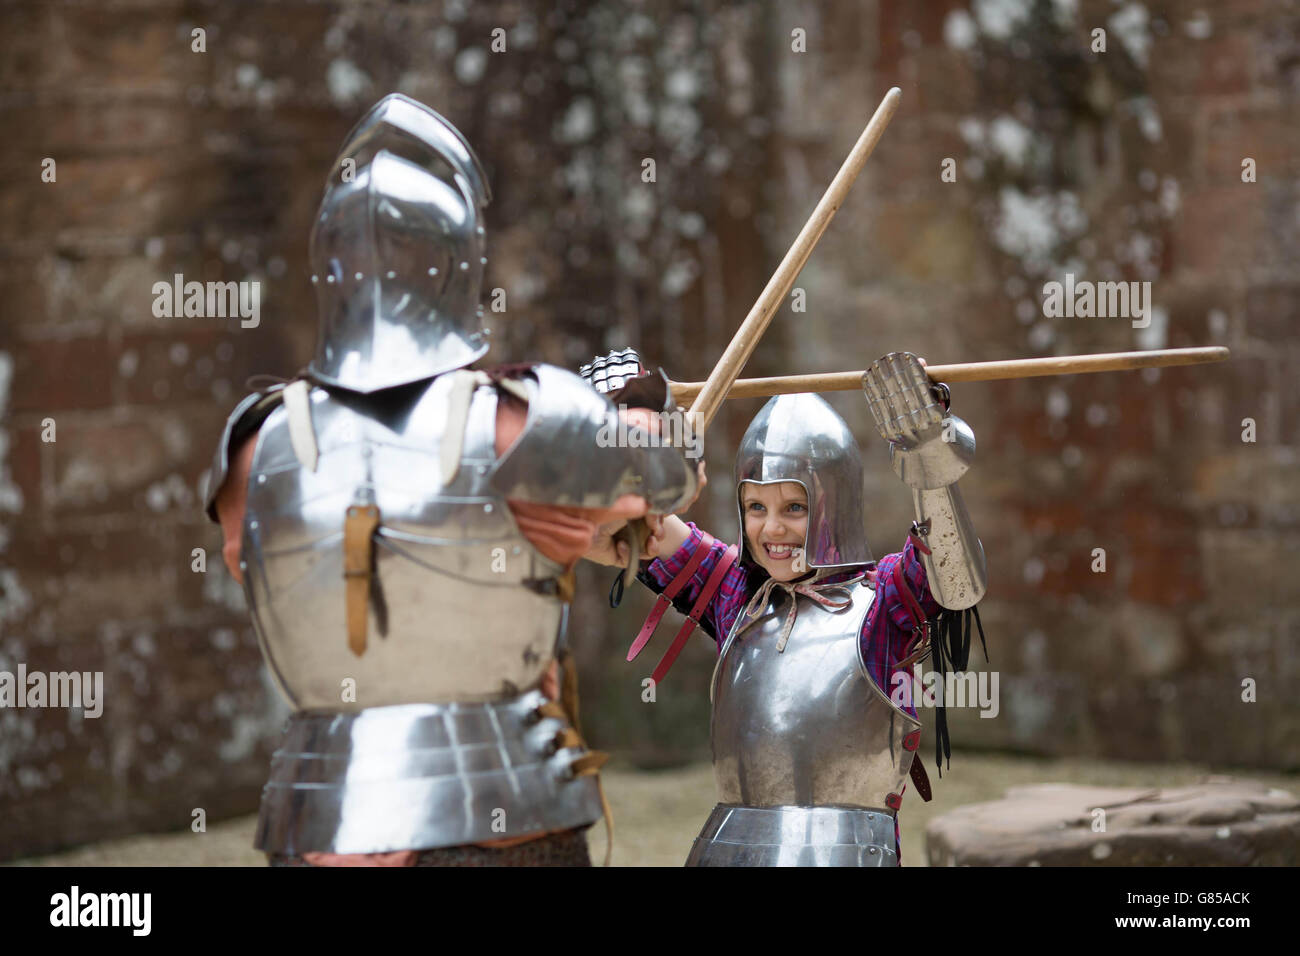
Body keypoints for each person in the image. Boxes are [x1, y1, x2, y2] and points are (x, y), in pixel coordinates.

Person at [203, 94, 700, 866]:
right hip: (497, 807)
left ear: (328, 270)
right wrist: (655, 423)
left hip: (324, 813)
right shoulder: (524, 419)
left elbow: (250, 563)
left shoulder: (256, 441)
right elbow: (660, 487)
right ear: (460, 266)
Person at [587, 351, 987, 866]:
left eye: (794, 507)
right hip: (727, 850)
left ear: (832, 505)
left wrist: (928, 453)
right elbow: (618, 532)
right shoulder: (733, 590)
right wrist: (616, 420)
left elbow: (955, 581)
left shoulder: (883, 601)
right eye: (757, 507)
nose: (772, 529)